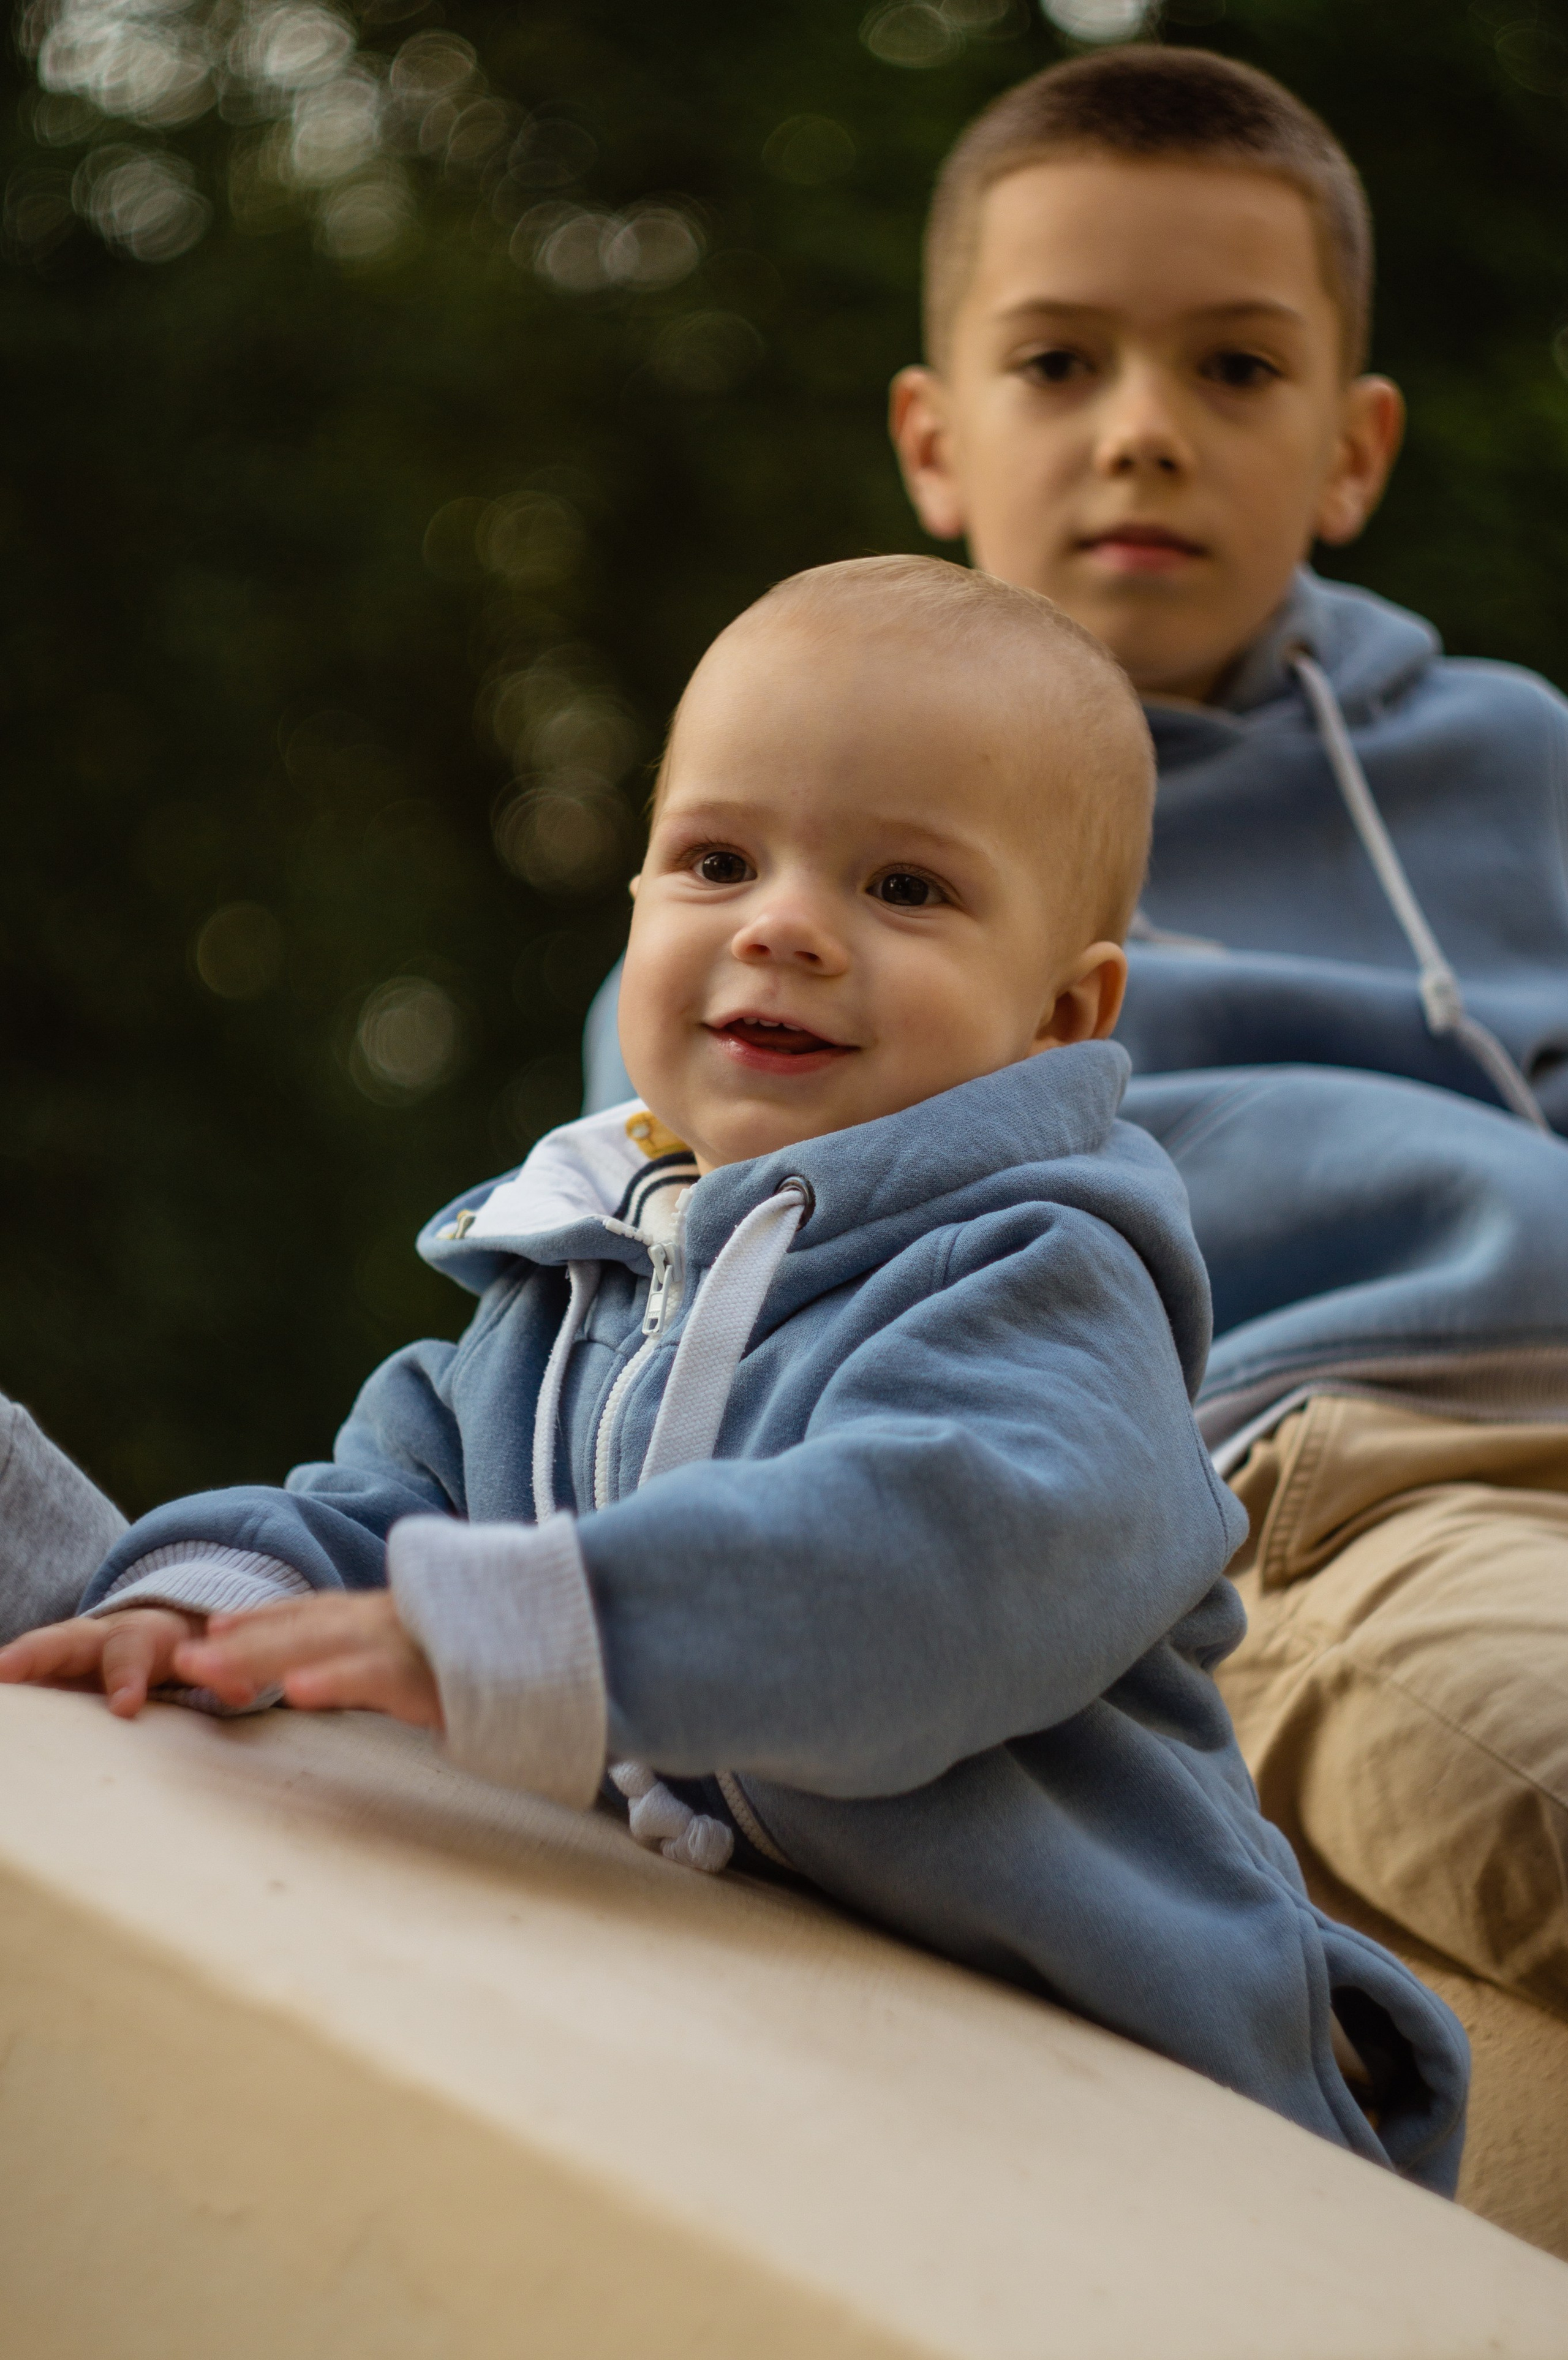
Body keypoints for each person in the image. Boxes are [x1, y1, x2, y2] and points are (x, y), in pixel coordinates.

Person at [0, 557, 1468, 2187]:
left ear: (1061, 1015)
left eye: (905, 889)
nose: (784, 923)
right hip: (787, 2040)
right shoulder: (572, 1274)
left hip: (1130, 2070)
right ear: (632, 905)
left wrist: (539, 1633)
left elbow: (935, 1562)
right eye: (716, 859)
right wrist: (206, 1602)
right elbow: (393, 1500)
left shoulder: (1040, 1281)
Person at [572, 48, 1568, 2027]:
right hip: (1300, 1484)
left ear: (1355, 450)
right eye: (1057, 366)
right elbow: (689, 1322)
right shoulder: (793, 905)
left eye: (1234, 369)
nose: (1142, 436)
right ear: (932, 441)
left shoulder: (1514, 769)